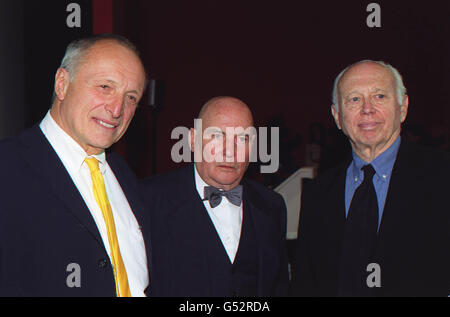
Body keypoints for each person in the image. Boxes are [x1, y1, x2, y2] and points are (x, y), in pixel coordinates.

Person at [0, 34, 151, 296]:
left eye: (130, 98)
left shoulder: (125, 175)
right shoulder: (7, 169)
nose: (117, 109)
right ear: (62, 84)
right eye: (105, 87)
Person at [291, 60, 450, 296]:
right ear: (337, 116)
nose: (367, 109)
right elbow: (305, 285)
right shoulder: (317, 194)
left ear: (403, 107)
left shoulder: (442, 177)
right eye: (354, 99)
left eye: (380, 96)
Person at [141, 96, 289, 296]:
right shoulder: (148, 200)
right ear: (193, 140)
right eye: (218, 136)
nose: (230, 151)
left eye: (242, 139)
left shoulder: (272, 206)